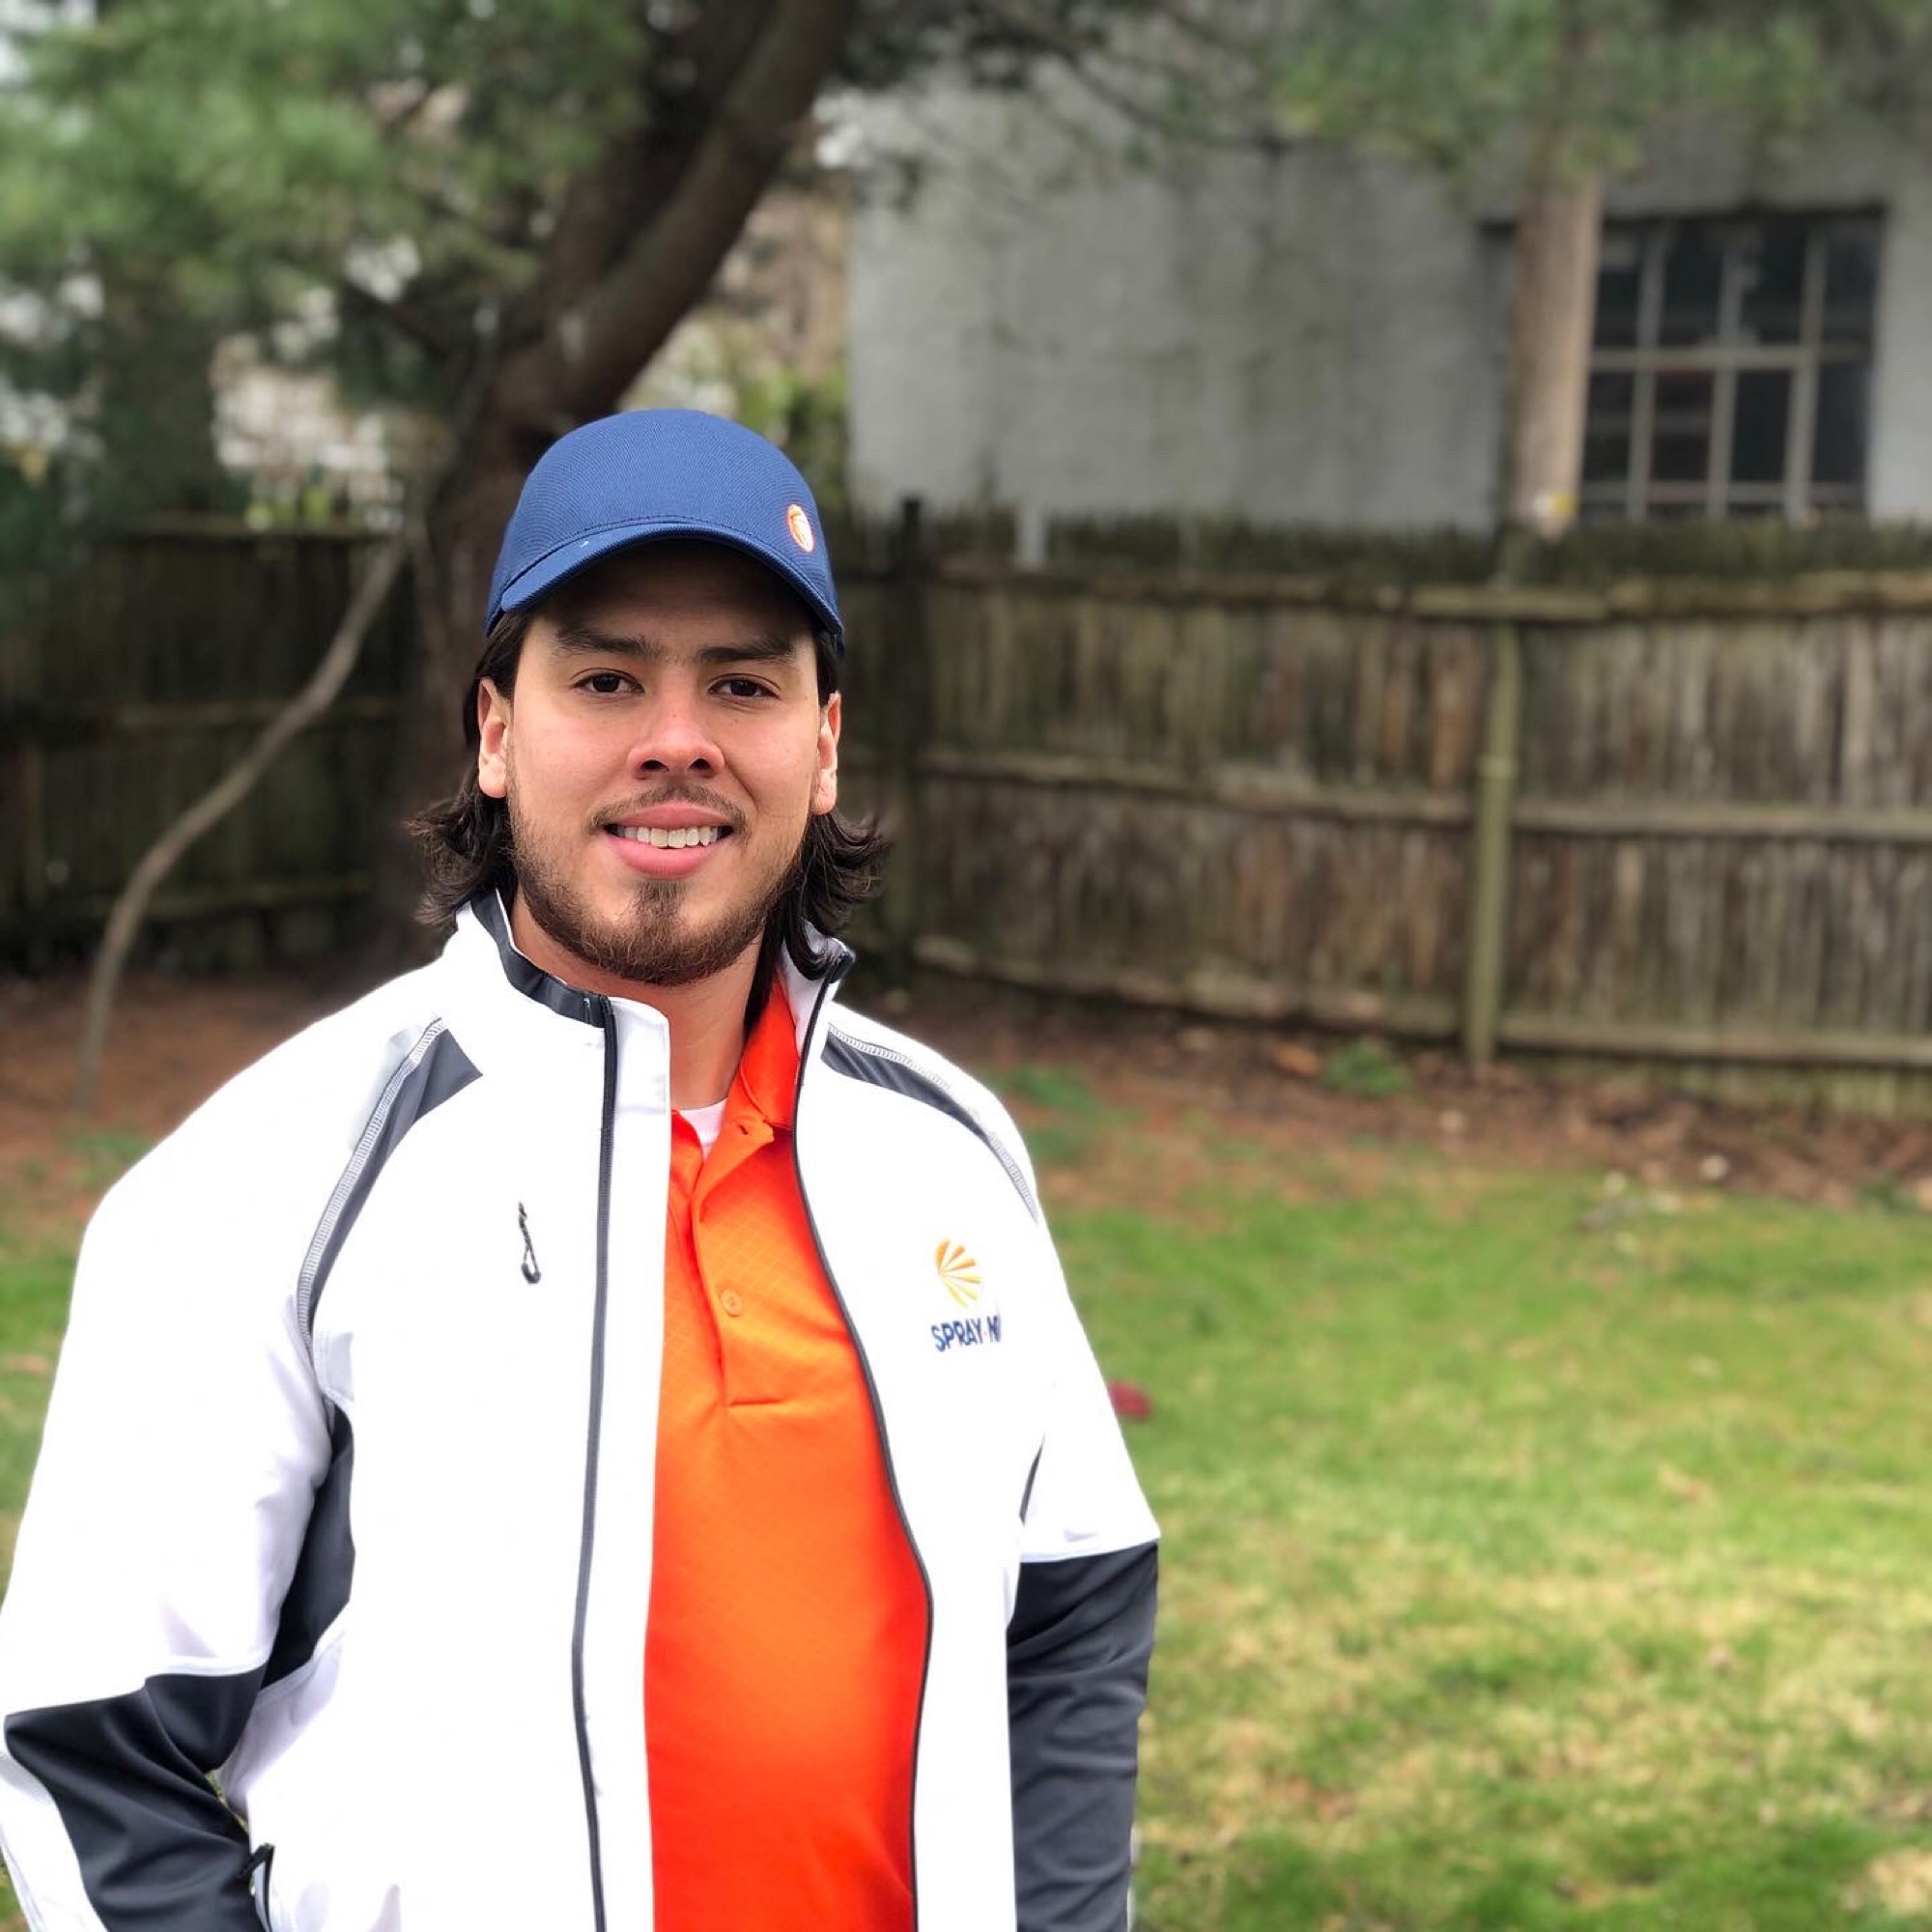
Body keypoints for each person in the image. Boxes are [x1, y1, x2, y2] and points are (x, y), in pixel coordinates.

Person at [0, 410, 1158, 1932]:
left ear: (822, 746)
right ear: (495, 733)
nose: (676, 738)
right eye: (607, 680)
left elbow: (1072, 1613)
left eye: (741, 683)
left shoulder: (952, 1152)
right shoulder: (258, 1188)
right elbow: (89, 1749)